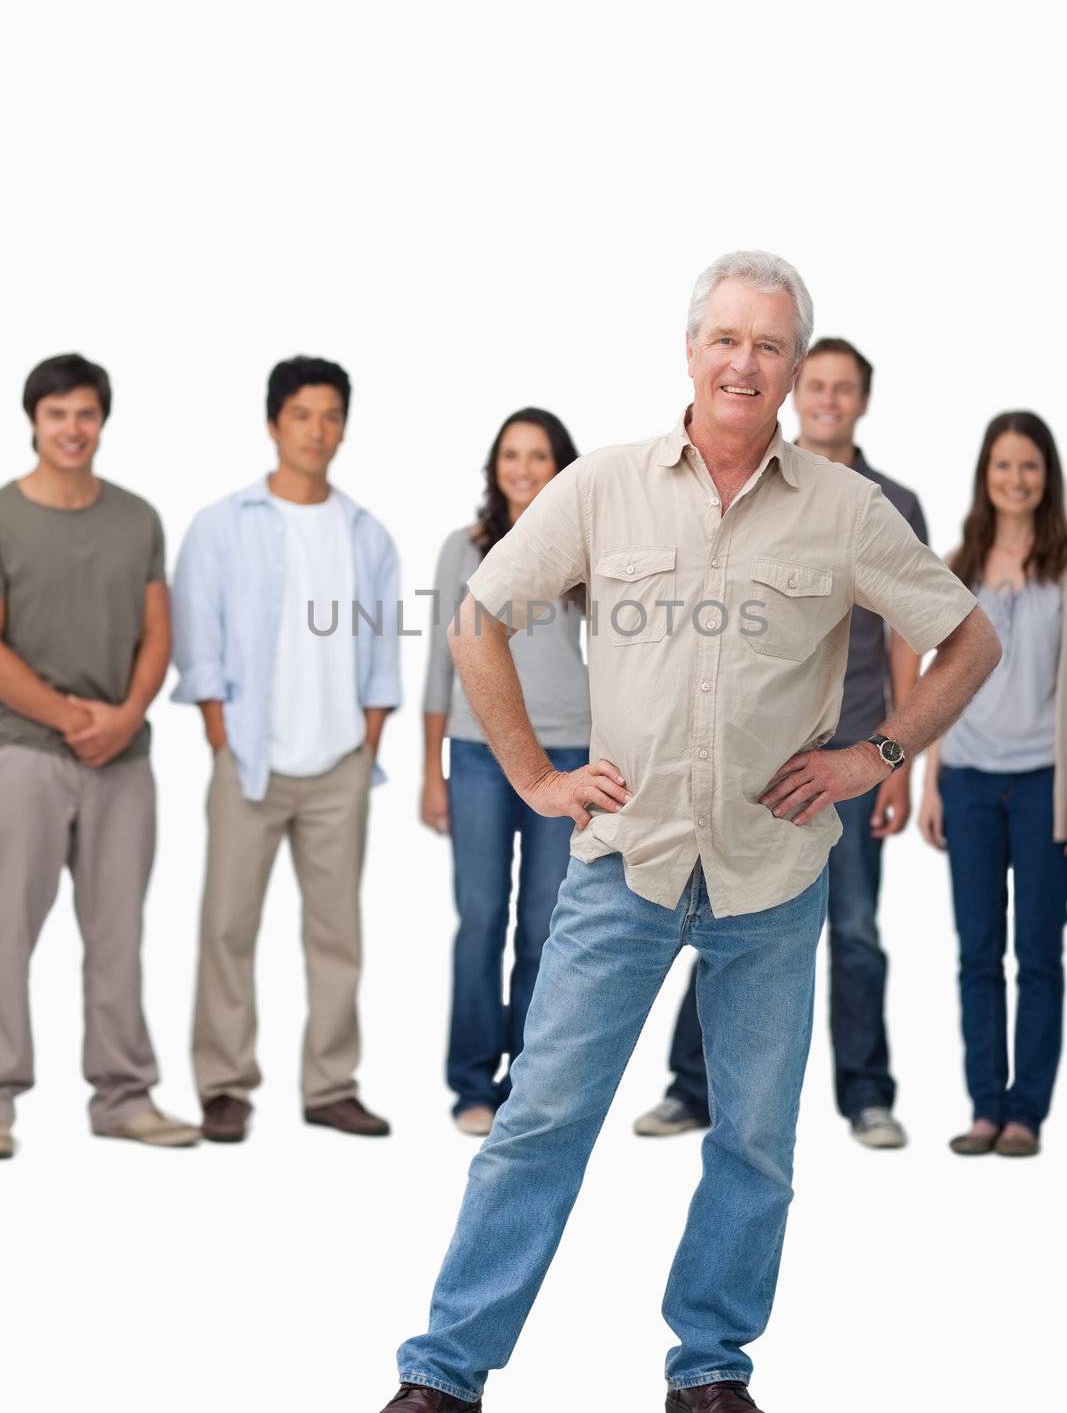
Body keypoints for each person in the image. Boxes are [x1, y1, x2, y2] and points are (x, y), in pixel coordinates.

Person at [381, 250, 997, 1412]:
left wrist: (874, 751)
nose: (743, 362)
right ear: (688, 350)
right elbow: (478, 618)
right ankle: (445, 1374)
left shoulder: (844, 509)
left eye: (767, 344)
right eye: (724, 338)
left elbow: (966, 637)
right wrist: (532, 776)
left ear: (794, 366)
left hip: (770, 878)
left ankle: (708, 1366)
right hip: (624, 864)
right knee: (539, 1122)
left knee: (755, 1144)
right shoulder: (606, 484)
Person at [635, 337, 926, 1149]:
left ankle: (867, 1095)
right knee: (721, 917)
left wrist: (891, 760)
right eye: (819, 385)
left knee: (858, 930)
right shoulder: (756, 492)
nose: (829, 399)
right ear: (798, 391)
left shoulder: (892, 500)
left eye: (845, 389)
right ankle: (691, 1089)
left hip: (853, 758)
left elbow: (913, 636)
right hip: (755, 769)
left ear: (861, 400)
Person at [171, 356, 401, 1144]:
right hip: (249, 761)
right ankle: (224, 1084)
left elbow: (380, 659)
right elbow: (197, 645)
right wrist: (220, 738)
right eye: (301, 414)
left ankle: (330, 1084)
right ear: (274, 423)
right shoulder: (221, 525)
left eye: (331, 415)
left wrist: (365, 745)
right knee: (227, 927)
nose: (317, 430)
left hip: (338, 765)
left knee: (337, 934)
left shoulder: (366, 536)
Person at [0, 355, 199, 1160]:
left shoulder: (137, 518)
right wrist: (67, 718)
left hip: (124, 758)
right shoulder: (5, 515)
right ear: (34, 423)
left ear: (102, 421)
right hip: (23, 752)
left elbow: (159, 632)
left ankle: (124, 1095)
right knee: (7, 930)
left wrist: (122, 718)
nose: (72, 430)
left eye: (85, 415)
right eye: (57, 416)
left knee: (117, 931)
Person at [422, 409, 591, 1136]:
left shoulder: (586, 549)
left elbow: (619, 654)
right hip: (477, 754)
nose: (523, 469)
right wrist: (431, 772)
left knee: (544, 926)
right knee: (481, 917)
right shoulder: (463, 550)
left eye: (538, 456)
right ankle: (470, 1085)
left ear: (560, 467)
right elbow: (440, 660)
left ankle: (528, 1080)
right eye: (511, 456)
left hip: (567, 753)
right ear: (495, 466)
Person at [919, 411, 1067, 1158]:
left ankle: (1024, 1113)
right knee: (976, 951)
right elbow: (942, 683)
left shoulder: (1064, 566)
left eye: (1030, 467)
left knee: (1039, 952)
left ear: (1047, 477)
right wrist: (931, 782)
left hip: (1044, 782)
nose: (1015, 480)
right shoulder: (958, 567)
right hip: (970, 781)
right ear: (985, 475)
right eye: (1003, 466)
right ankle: (983, 1107)